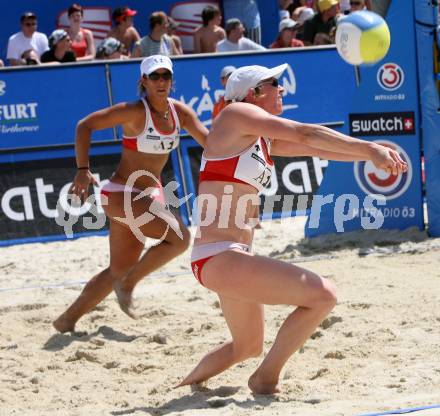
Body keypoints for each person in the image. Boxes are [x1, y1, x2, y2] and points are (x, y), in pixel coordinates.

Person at [177, 64, 408, 393]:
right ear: (253, 93)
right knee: (323, 296)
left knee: (246, 346)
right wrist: (369, 148)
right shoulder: (235, 114)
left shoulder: (260, 139)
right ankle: (264, 379)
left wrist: (366, 155)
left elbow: (317, 147)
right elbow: (305, 132)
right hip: (220, 257)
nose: (282, 89)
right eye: (274, 83)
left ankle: (182, 389)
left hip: (229, 257)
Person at [53, 55, 208, 333]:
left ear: (172, 80)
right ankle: (128, 285)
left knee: (118, 268)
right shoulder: (135, 111)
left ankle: (67, 319)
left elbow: (210, 143)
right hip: (121, 192)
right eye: (155, 76)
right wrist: (82, 169)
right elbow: (84, 125)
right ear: (143, 81)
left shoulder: (180, 113)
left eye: (166, 76)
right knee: (180, 238)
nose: (161, 81)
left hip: (142, 197)